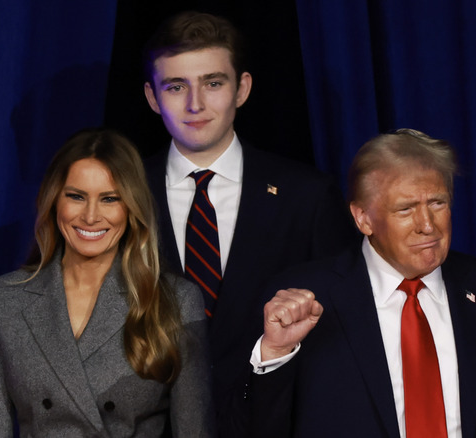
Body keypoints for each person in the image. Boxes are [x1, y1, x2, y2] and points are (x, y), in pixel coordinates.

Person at [241, 129, 476, 437]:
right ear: (363, 218)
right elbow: (256, 427)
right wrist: (276, 352)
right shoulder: (304, 300)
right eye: (406, 209)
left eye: (437, 203)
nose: (427, 225)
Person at [141, 11, 357, 415]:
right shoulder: (123, 194)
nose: (195, 104)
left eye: (213, 83)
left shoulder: (306, 196)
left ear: (242, 89)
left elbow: (342, 331)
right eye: (175, 86)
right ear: (153, 98)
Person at [0, 129, 213, 437]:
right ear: (55, 200)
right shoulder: (2, 301)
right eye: (77, 197)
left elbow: (195, 430)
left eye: (109, 199)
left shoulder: (176, 300)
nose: (91, 216)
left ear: (131, 207)